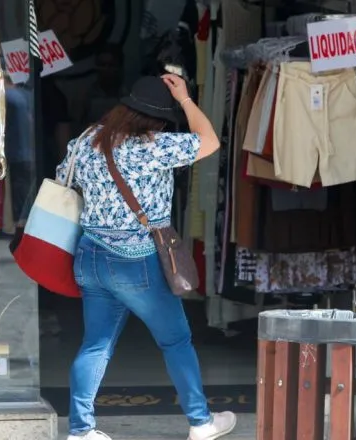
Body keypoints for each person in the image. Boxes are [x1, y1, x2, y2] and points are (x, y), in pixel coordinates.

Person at [56, 74, 236, 440]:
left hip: (90, 254)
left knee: (96, 343)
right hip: (135, 258)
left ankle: (80, 430)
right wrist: (185, 99)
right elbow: (210, 140)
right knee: (175, 340)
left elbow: (64, 179)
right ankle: (201, 423)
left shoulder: (86, 139)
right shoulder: (152, 146)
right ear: (156, 119)